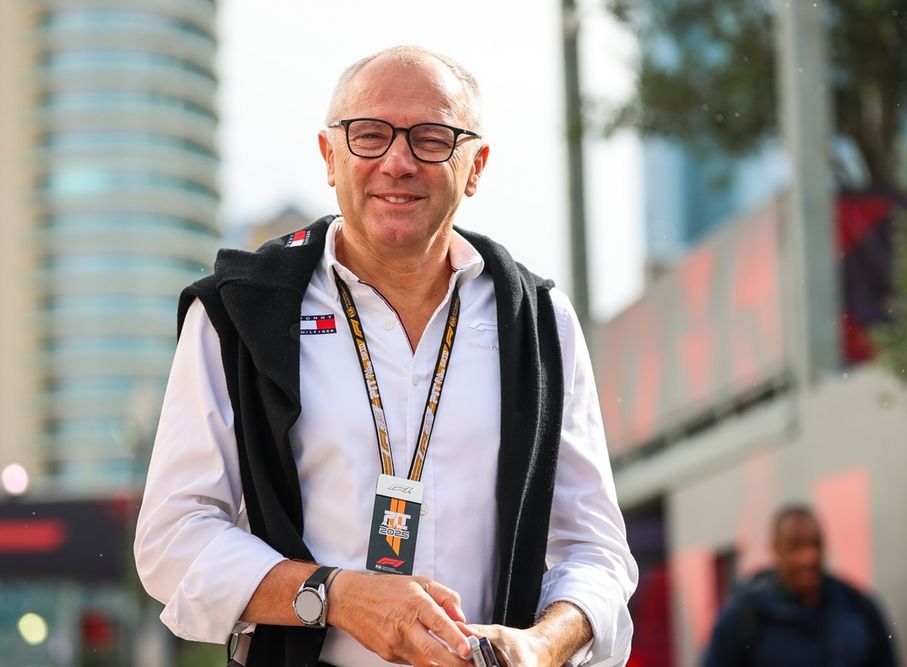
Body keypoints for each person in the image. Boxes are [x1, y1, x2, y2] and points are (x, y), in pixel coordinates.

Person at [134, 45, 637, 667]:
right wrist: (337, 597)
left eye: (431, 138)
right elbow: (173, 539)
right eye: (369, 135)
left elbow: (595, 549)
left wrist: (539, 646)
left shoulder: (536, 321)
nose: (397, 162)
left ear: (475, 166)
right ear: (330, 156)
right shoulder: (240, 312)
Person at [702, 505, 898, 667]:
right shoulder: (743, 617)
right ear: (775, 548)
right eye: (796, 546)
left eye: (815, 544)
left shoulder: (858, 606)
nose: (808, 557)